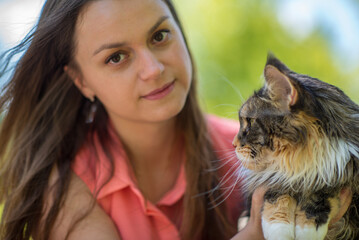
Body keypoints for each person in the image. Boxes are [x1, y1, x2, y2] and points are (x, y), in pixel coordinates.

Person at [0, 0, 351, 239]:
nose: (153, 69)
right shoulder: (68, 186)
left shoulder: (251, 152)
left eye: (159, 35)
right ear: (81, 81)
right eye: (117, 57)